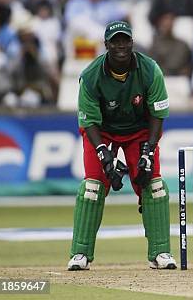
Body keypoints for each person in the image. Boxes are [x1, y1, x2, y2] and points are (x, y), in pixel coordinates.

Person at [67, 21, 176, 271]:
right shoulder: (91, 75)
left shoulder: (150, 70)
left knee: (154, 185)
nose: (120, 46)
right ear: (106, 45)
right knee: (92, 188)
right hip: (102, 131)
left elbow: (158, 115)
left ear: (132, 43)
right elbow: (89, 121)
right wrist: (104, 155)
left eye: (124, 40)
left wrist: (148, 152)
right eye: (115, 41)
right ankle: (80, 254)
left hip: (139, 131)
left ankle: (160, 253)